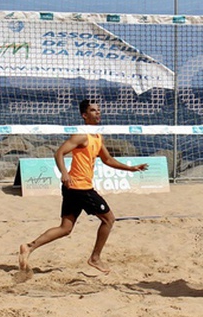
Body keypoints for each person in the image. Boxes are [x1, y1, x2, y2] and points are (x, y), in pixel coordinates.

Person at [18, 99, 148, 274]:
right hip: (80, 188)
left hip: (74, 188)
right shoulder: (81, 135)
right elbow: (59, 153)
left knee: (65, 228)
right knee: (109, 219)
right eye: (93, 111)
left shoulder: (97, 136)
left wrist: (130, 168)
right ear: (84, 115)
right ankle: (95, 258)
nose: (98, 113)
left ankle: (29, 247)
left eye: (98, 110)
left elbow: (107, 159)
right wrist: (64, 173)